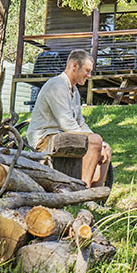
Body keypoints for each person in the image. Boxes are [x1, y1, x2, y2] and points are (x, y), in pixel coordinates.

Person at [26, 49, 111, 187]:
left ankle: (96, 196)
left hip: (62, 135)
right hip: (44, 139)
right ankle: (83, 191)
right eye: (87, 71)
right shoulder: (57, 85)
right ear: (75, 66)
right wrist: (95, 140)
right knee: (95, 141)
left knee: (106, 147)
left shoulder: (74, 90)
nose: (89, 75)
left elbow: (80, 122)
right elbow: (67, 124)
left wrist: (98, 141)